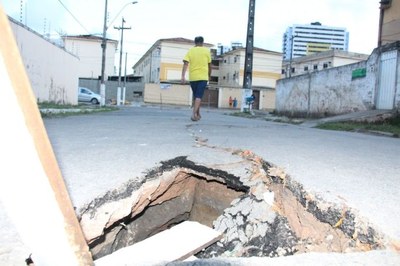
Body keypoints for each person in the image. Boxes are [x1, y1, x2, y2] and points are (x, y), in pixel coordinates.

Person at [181, 36, 211, 121]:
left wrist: (183, 76)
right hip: (203, 77)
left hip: (193, 77)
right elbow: (210, 65)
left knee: (196, 96)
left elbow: (185, 63)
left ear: (195, 42)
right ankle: (194, 114)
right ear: (202, 42)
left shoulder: (190, 51)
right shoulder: (206, 51)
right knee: (198, 96)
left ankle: (198, 114)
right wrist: (209, 75)